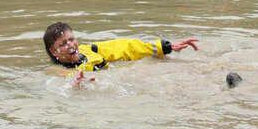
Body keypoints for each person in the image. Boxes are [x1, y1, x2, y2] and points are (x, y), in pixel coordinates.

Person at [43, 22, 199, 74]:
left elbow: (125, 47)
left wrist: (166, 47)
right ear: (53, 51)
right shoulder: (56, 71)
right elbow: (66, 81)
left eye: (71, 39)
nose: (70, 45)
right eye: (63, 44)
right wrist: (77, 85)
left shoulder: (90, 50)